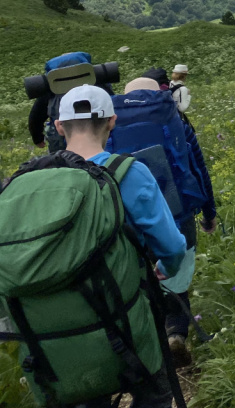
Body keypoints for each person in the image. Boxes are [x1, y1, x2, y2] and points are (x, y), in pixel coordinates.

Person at [0, 85, 187, 408]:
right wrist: (163, 271)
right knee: (154, 392)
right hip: (125, 322)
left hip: (51, 341)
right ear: (112, 122)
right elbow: (172, 247)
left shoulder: (25, 186)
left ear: (59, 126)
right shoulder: (130, 173)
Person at [110, 77, 217, 369]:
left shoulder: (109, 125)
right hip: (178, 215)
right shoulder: (175, 121)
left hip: (130, 225)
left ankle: (149, 344)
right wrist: (209, 212)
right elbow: (198, 170)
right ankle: (176, 334)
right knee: (176, 276)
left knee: (140, 282)